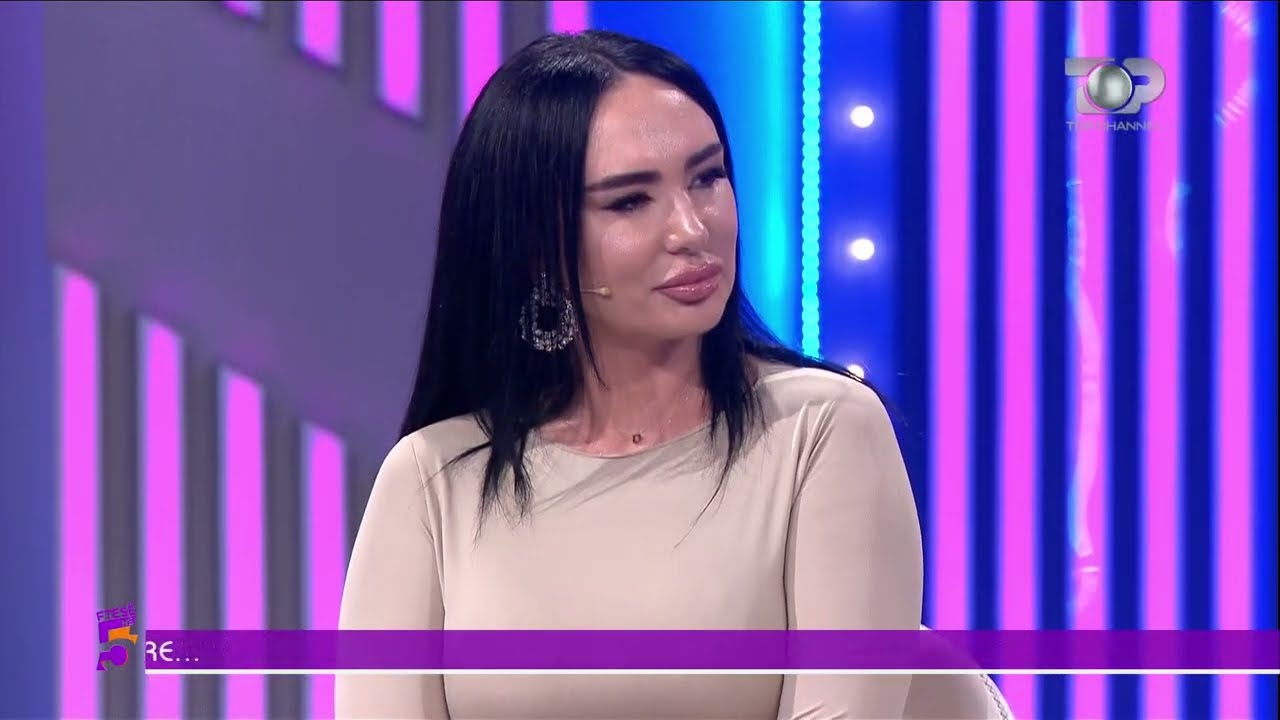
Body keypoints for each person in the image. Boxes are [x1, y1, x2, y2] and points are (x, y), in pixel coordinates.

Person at [336, 29, 924, 719]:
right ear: (536, 244)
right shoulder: (433, 477)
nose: (692, 229)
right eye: (629, 201)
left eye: (707, 177)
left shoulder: (819, 430)